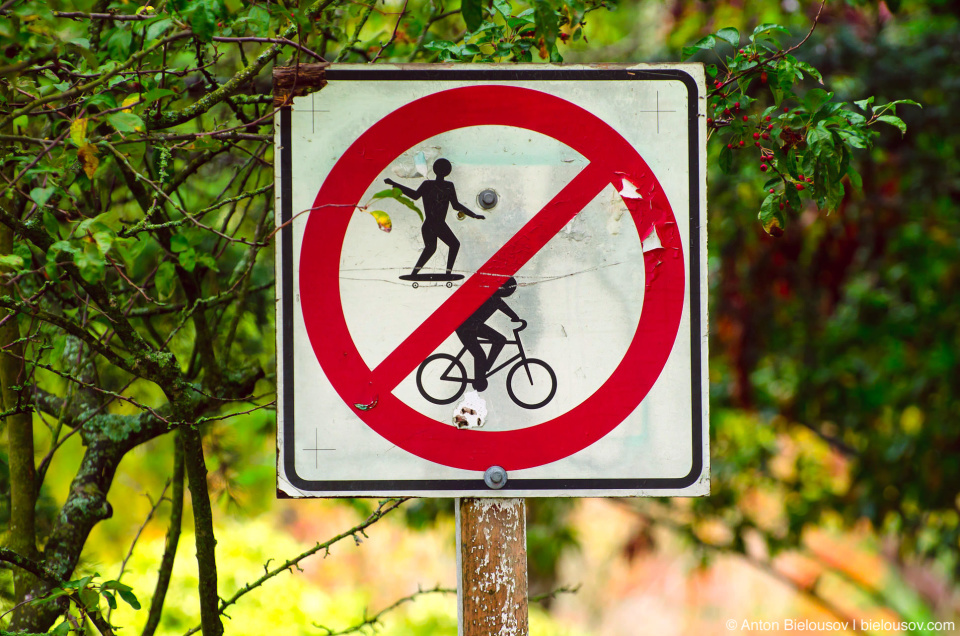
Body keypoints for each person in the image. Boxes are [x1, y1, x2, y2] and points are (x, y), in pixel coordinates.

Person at [384, 158, 484, 276]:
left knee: (436, 248)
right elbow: (415, 195)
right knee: (440, 247)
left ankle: (423, 273)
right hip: (433, 224)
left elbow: (455, 205)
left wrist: (474, 215)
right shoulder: (431, 185)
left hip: (436, 224)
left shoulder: (446, 186)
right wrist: (394, 184)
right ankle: (425, 273)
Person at [455, 277, 525, 391]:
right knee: (490, 348)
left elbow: (504, 307)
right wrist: (515, 318)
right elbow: (503, 306)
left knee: (495, 343)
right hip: (466, 326)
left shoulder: (493, 296)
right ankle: (481, 375)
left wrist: (515, 317)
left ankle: (483, 371)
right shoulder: (491, 295)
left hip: (470, 326)